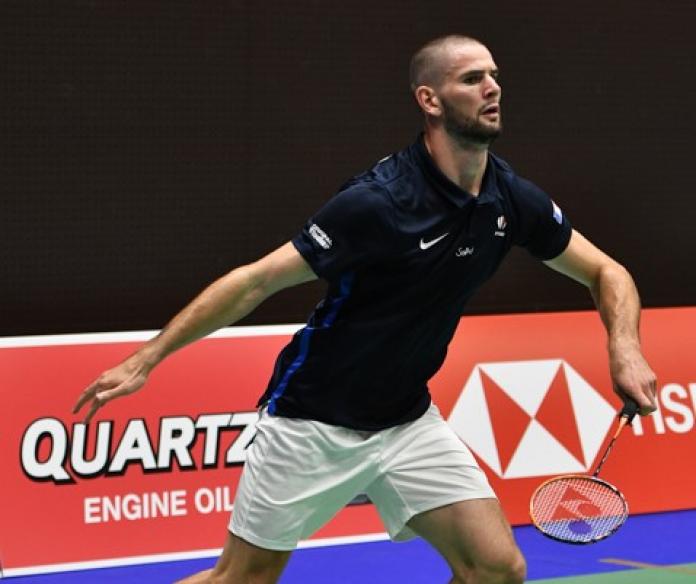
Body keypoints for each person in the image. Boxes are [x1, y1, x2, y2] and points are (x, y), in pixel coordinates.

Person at [74, 35, 657, 584]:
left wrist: (624, 346)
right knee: (242, 578)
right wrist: (148, 358)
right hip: (311, 421)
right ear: (429, 100)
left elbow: (609, 272)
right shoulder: (379, 202)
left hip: (407, 421)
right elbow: (256, 281)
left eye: (495, 77)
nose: (492, 88)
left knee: (498, 569)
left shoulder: (510, 198)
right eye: (472, 78)